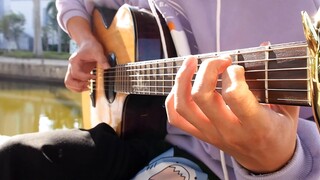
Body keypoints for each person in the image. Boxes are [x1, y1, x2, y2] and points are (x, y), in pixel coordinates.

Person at [0, 0, 319, 179]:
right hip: (148, 139)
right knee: (13, 159)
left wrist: (280, 163)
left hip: (269, 169)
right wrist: (86, 39)